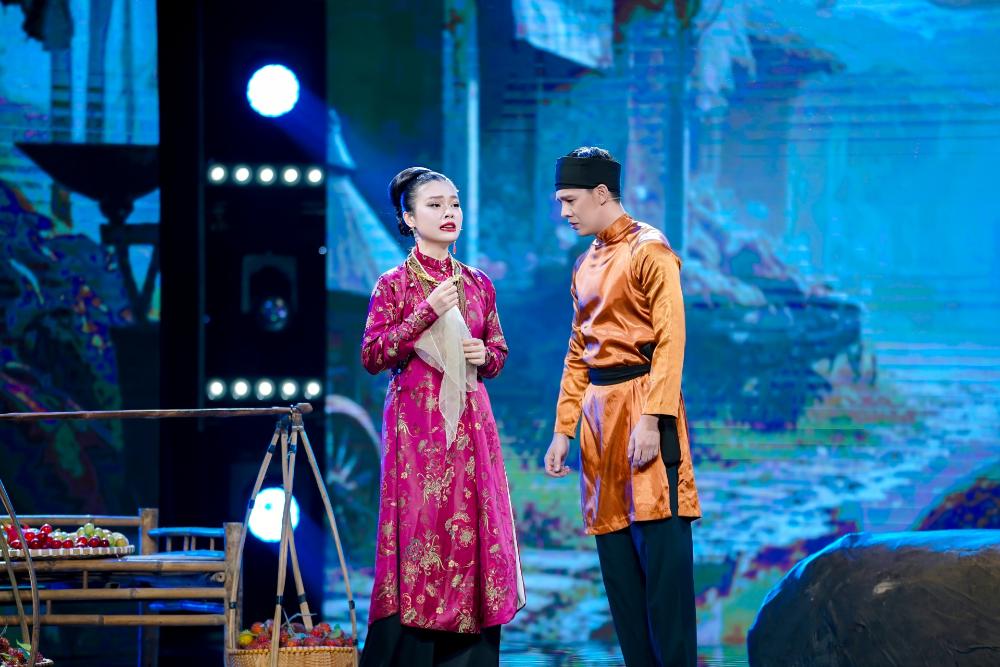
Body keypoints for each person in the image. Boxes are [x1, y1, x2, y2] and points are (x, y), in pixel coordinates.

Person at [359, 167, 524, 667]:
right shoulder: (394, 285)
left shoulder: (477, 283)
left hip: (472, 425)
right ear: (409, 218)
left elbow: (498, 351)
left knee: (474, 524)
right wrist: (424, 312)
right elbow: (373, 355)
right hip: (417, 428)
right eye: (434, 205)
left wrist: (483, 354)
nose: (449, 212)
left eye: (453, 203)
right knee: (422, 526)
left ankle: (470, 648)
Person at [543, 147, 701, 666]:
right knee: (621, 582)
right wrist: (564, 429)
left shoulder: (649, 250)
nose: (564, 212)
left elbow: (671, 339)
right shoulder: (584, 264)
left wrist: (654, 418)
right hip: (598, 418)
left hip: (643, 405)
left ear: (601, 193)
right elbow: (577, 350)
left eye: (570, 200)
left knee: (664, 578)